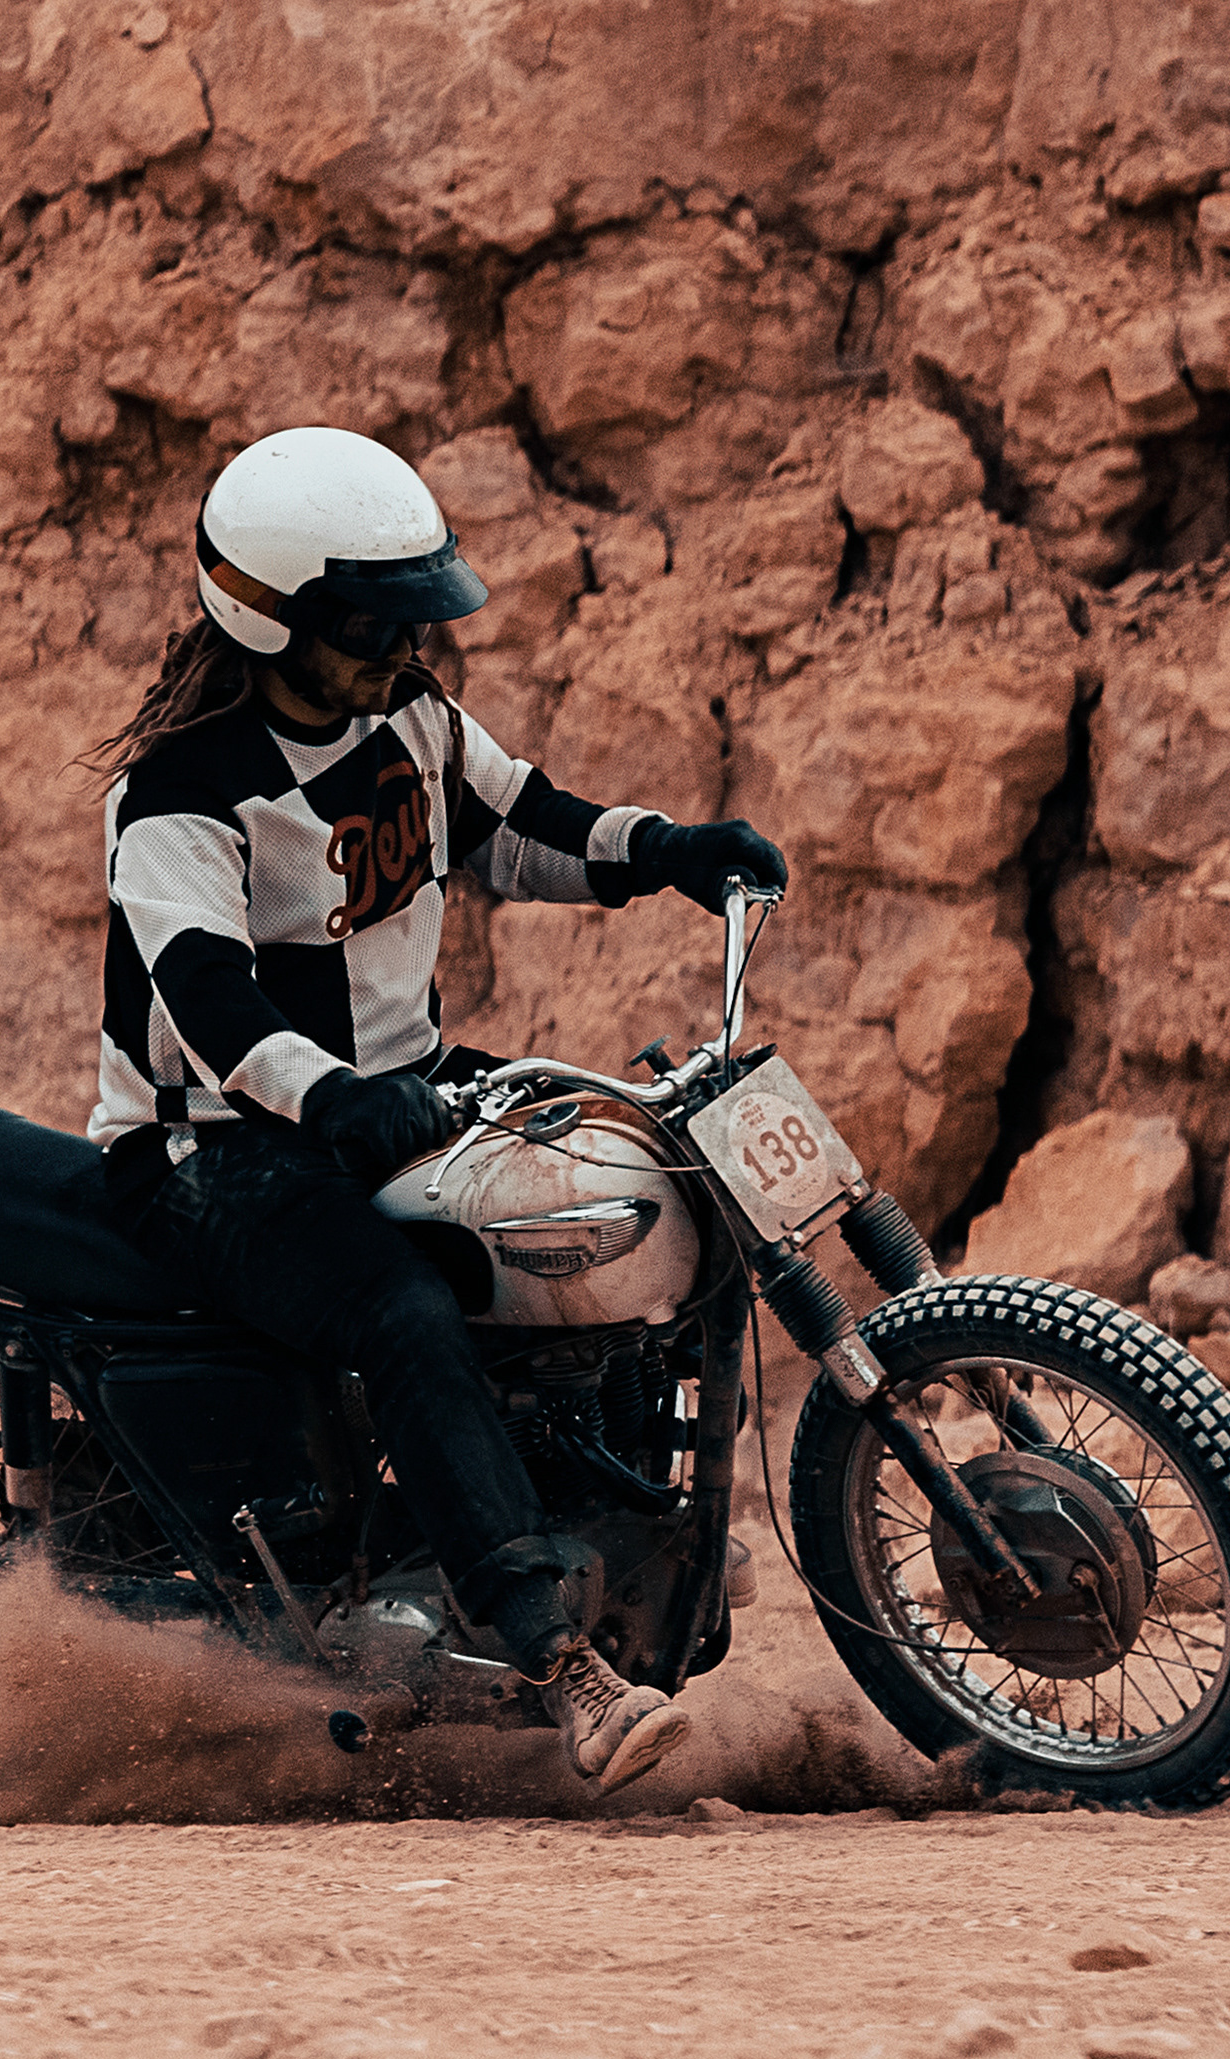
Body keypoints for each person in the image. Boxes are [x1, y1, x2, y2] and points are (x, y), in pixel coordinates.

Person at [85, 425, 787, 1794]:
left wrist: (668, 851)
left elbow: (523, 826)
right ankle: (559, 1663)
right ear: (269, 616)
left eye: (409, 620)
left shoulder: (409, 719)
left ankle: (608, 1501)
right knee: (404, 1311)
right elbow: (208, 1000)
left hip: (392, 1088)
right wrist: (331, 1096)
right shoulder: (177, 793)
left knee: (608, 1182)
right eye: (368, 626)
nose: (402, 648)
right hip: (209, 1147)